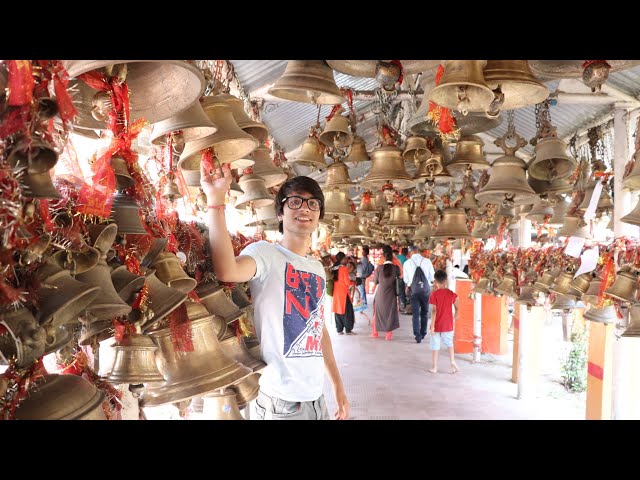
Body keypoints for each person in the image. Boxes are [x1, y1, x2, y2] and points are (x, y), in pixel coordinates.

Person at [201, 161, 349, 420]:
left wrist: (337, 385)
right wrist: (215, 201)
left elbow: (318, 328)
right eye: (295, 202)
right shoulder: (265, 253)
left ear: (318, 215)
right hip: (280, 403)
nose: (304, 209)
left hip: (316, 399)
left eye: (313, 203)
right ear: (280, 213)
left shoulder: (315, 267)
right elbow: (227, 271)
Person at [428, 269, 460, 374]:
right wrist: (456, 313)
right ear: (446, 280)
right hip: (448, 324)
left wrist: (432, 326)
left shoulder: (434, 294)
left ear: (435, 282)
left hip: (437, 325)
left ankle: (435, 367)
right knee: (450, 344)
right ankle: (452, 361)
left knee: (435, 346)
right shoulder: (451, 294)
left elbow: (434, 311)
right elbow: (457, 305)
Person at [403, 245, 435, 343]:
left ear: (410, 252)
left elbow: (406, 279)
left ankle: (417, 335)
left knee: (416, 313)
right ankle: (423, 332)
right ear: (418, 251)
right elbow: (432, 277)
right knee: (425, 312)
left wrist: (408, 286)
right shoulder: (427, 261)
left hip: (414, 291)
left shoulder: (407, 263)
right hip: (425, 290)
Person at [372, 245, 401, 340]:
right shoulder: (396, 267)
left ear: (384, 256)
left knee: (377, 312)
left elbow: (376, 281)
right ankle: (388, 335)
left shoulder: (379, 268)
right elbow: (400, 276)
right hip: (391, 293)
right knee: (390, 313)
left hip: (380, 293)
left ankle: (375, 333)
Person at [331, 252, 356, 335]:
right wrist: (352, 282)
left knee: (338, 311)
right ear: (341, 259)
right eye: (345, 258)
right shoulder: (343, 269)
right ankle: (348, 329)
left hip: (336, 293)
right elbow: (347, 283)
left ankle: (339, 329)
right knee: (347, 311)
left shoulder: (334, 268)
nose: (346, 260)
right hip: (344, 293)